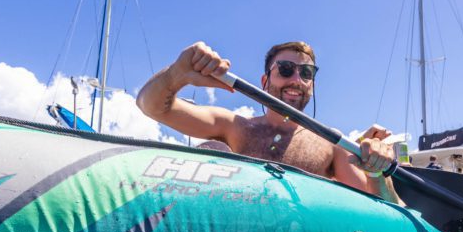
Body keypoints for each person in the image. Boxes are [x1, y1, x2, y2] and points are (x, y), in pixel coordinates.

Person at [137, 41, 400, 203]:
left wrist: (377, 169)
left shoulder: (331, 145)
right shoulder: (233, 126)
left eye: (306, 73)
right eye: (285, 70)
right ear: (265, 82)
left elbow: (384, 207)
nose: (296, 79)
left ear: (312, 85)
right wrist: (177, 74)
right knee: (211, 151)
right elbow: (150, 106)